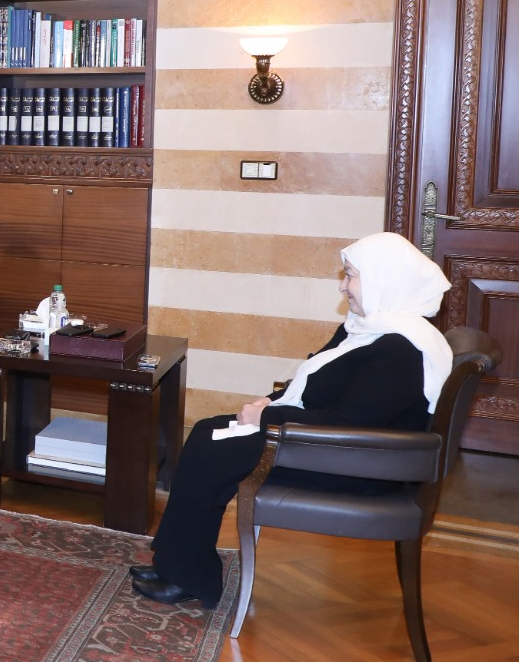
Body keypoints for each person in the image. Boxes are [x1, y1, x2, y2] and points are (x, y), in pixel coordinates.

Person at [130, 232, 453, 609]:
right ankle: (175, 562)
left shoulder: (403, 350)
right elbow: (317, 380)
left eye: (350, 276)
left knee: (211, 451)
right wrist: (272, 401)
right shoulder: (368, 328)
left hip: (358, 466)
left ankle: (186, 577)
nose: (342, 286)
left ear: (384, 280)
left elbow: (349, 422)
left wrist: (267, 417)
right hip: (331, 445)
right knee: (206, 431)